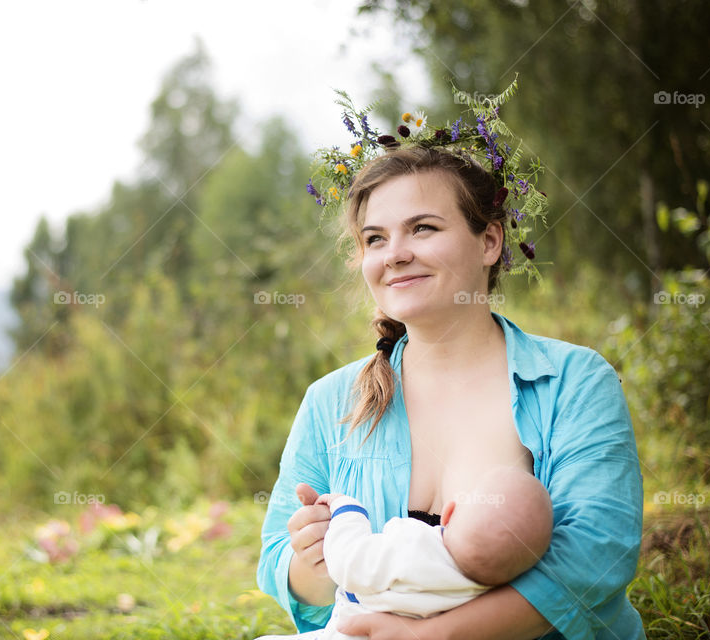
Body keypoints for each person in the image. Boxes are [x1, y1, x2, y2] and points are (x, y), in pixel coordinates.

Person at [256, 117, 646, 638]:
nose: (395, 253)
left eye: (423, 228)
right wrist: (311, 561)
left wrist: (429, 637)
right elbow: (281, 569)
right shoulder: (331, 401)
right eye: (375, 238)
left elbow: (596, 554)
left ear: (488, 241)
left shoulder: (574, 381)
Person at [255, 466, 554, 640]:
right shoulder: (488, 591)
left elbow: (351, 561)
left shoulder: (418, 548)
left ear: (447, 513)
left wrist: (347, 509)